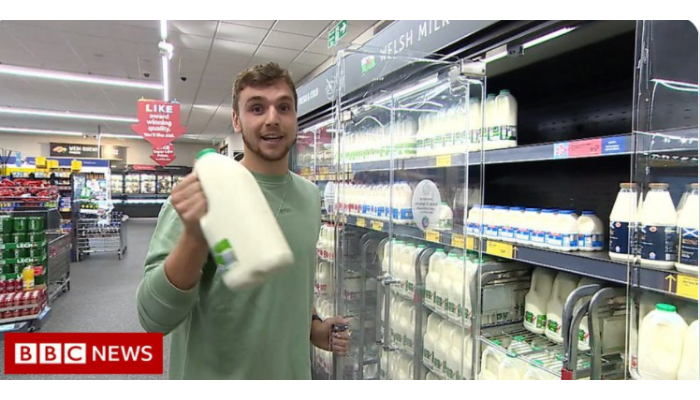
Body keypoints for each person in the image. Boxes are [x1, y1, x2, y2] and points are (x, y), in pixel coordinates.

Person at [136, 62, 349, 379]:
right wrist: (194, 238)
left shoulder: (309, 197)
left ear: (295, 118)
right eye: (257, 108)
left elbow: (288, 289)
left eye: (284, 107)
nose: (272, 118)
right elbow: (152, 318)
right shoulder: (202, 194)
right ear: (236, 120)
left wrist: (313, 327)